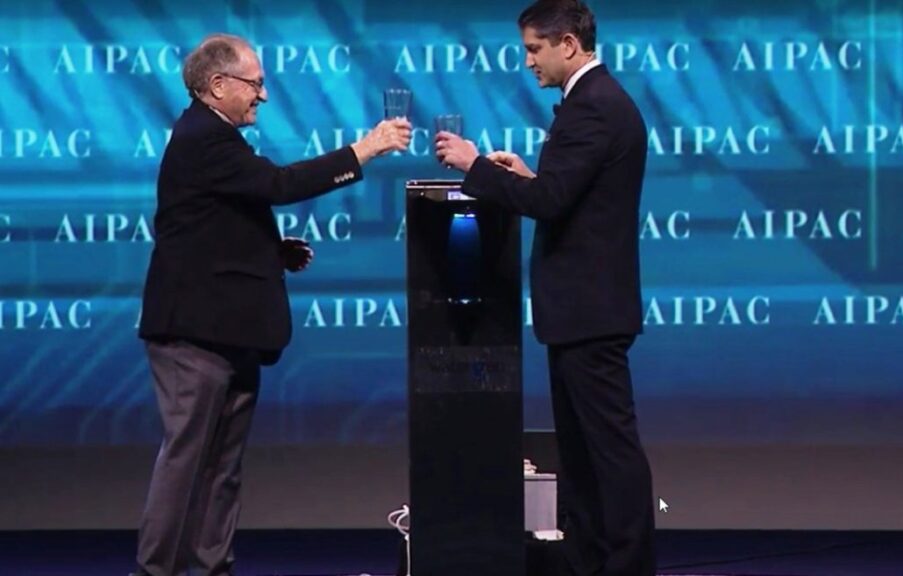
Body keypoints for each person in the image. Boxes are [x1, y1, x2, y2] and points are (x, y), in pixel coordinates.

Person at [133, 33, 411, 576]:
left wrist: (270, 250)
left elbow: (211, 222)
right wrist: (364, 150)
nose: (263, 95)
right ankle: (154, 571)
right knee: (188, 462)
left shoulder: (215, 138)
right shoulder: (203, 138)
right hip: (195, 335)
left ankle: (212, 567)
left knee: (222, 468)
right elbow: (277, 185)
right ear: (217, 86)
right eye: (255, 84)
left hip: (230, 332)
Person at [434, 1, 654, 575]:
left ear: (569, 45)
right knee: (582, 457)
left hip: (591, 312)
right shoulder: (593, 103)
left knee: (607, 452)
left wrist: (474, 166)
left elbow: (551, 204)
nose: (528, 61)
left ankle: (625, 565)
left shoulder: (593, 108)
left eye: (535, 49)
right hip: (582, 311)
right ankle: (589, 563)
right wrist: (529, 177)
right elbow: (568, 193)